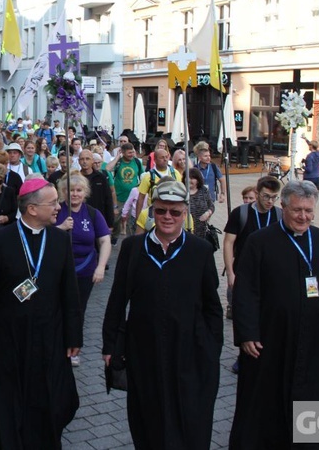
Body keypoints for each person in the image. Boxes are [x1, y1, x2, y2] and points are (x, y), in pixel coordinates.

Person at [102, 180, 223, 449]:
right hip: (144, 350)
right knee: (148, 417)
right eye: (161, 211)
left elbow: (213, 306)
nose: (167, 217)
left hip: (189, 351)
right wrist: (110, 345)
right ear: (152, 211)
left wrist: (212, 347)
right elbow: (117, 300)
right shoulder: (133, 248)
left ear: (185, 213)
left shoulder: (200, 250)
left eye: (175, 212)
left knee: (189, 417)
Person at [230, 180, 319, 449]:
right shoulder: (260, 242)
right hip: (270, 337)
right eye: (297, 210)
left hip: (312, 337)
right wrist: (247, 333)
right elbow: (245, 291)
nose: (303, 216)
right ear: (283, 208)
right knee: (265, 398)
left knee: (310, 396)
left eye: (309, 211)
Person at [0, 179, 82, 448]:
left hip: (51, 338)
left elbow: (70, 292)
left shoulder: (59, 239)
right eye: (53, 202)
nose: (59, 207)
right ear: (32, 209)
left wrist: (73, 337)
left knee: (53, 399)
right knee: (9, 401)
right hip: (8, 338)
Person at [56, 172, 111, 366]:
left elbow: (104, 241)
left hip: (85, 269)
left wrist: (101, 267)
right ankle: (57, 343)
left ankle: (74, 346)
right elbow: (42, 234)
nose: (75, 194)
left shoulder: (93, 213)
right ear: (64, 192)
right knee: (59, 307)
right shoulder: (56, 211)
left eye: (79, 190)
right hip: (59, 269)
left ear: (85, 192)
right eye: (71, 190)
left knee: (78, 309)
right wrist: (60, 228)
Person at [223, 176, 282, 322]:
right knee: (245, 314)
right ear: (257, 193)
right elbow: (228, 243)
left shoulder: (280, 215)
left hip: (271, 274)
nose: (270, 201)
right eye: (266, 196)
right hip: (244, 272)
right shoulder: (240, 213)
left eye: (274, 197)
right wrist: (230, 273)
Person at [135, 148, 179, 217]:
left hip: (172, 213)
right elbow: (140, 198)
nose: (165, 159)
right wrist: (138, 218)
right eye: (162, 157)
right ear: (155, 160)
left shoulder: (175, 174)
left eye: (166, 157)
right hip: (154, 214)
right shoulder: (148, 176)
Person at [78, 149, 115, 230]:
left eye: (87, 159)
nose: (84, 161)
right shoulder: (76, 178)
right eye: (82, 159)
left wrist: (110, 224)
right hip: (80, 218)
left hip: (99, 218)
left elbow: (108, 199)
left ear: (92, 161)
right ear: (78, 161)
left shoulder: (101, 178)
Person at [187, 167, 215, 239]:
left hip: (202, 230)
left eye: (192, 178)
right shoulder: (182, 192)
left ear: (198, 180)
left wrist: (208, 213)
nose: (189, 180)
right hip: (187, 229)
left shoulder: (203, 190)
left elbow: (211, 205)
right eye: (187, 177)